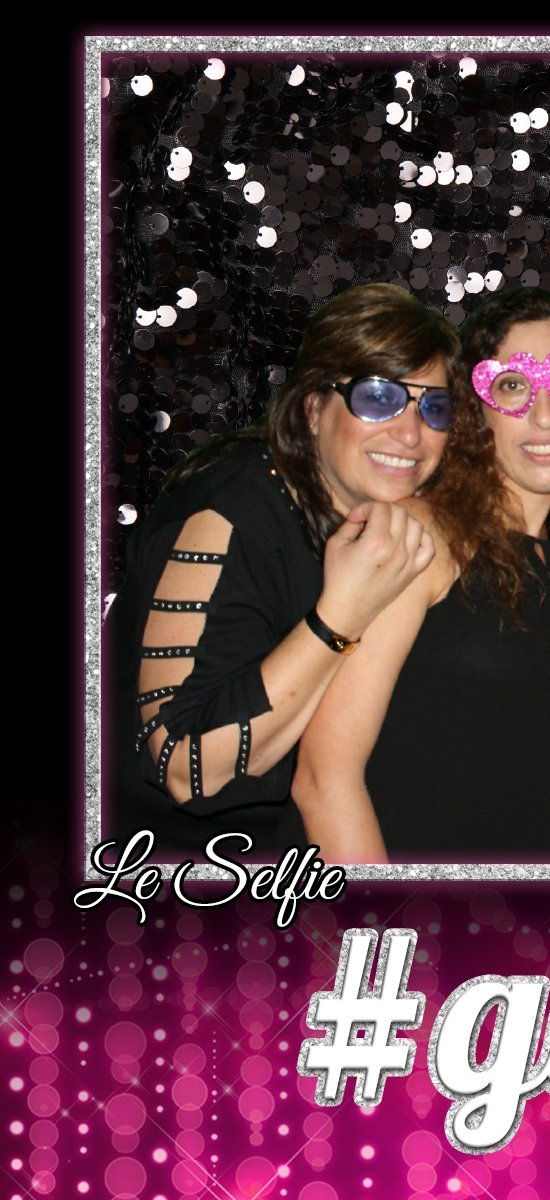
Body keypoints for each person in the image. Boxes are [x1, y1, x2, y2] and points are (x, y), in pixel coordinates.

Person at [285, 288, 550, 861]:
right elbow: (323, 778)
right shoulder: (417, 537)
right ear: (474, 410)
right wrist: (382, 937)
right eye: (512, 387)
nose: (545, 414)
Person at [106, 283, 457, 856]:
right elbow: (185, 768)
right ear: (314, 408)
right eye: (378, 398)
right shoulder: (228, 513)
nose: (411, 432)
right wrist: (343, 613)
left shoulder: (393, 526)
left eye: (435, 407)